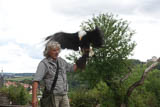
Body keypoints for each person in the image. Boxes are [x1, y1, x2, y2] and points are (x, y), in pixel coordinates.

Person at [32, 40, 87, 107]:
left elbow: (72, 68)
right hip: (52, 96)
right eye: (54, 50)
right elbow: (36, 81)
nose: (57, 52)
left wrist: (84, 56)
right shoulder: (44, 64)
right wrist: (34, 98)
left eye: (58, 50)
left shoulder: (61, 61)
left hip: (64, 95)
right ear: (48, 52)